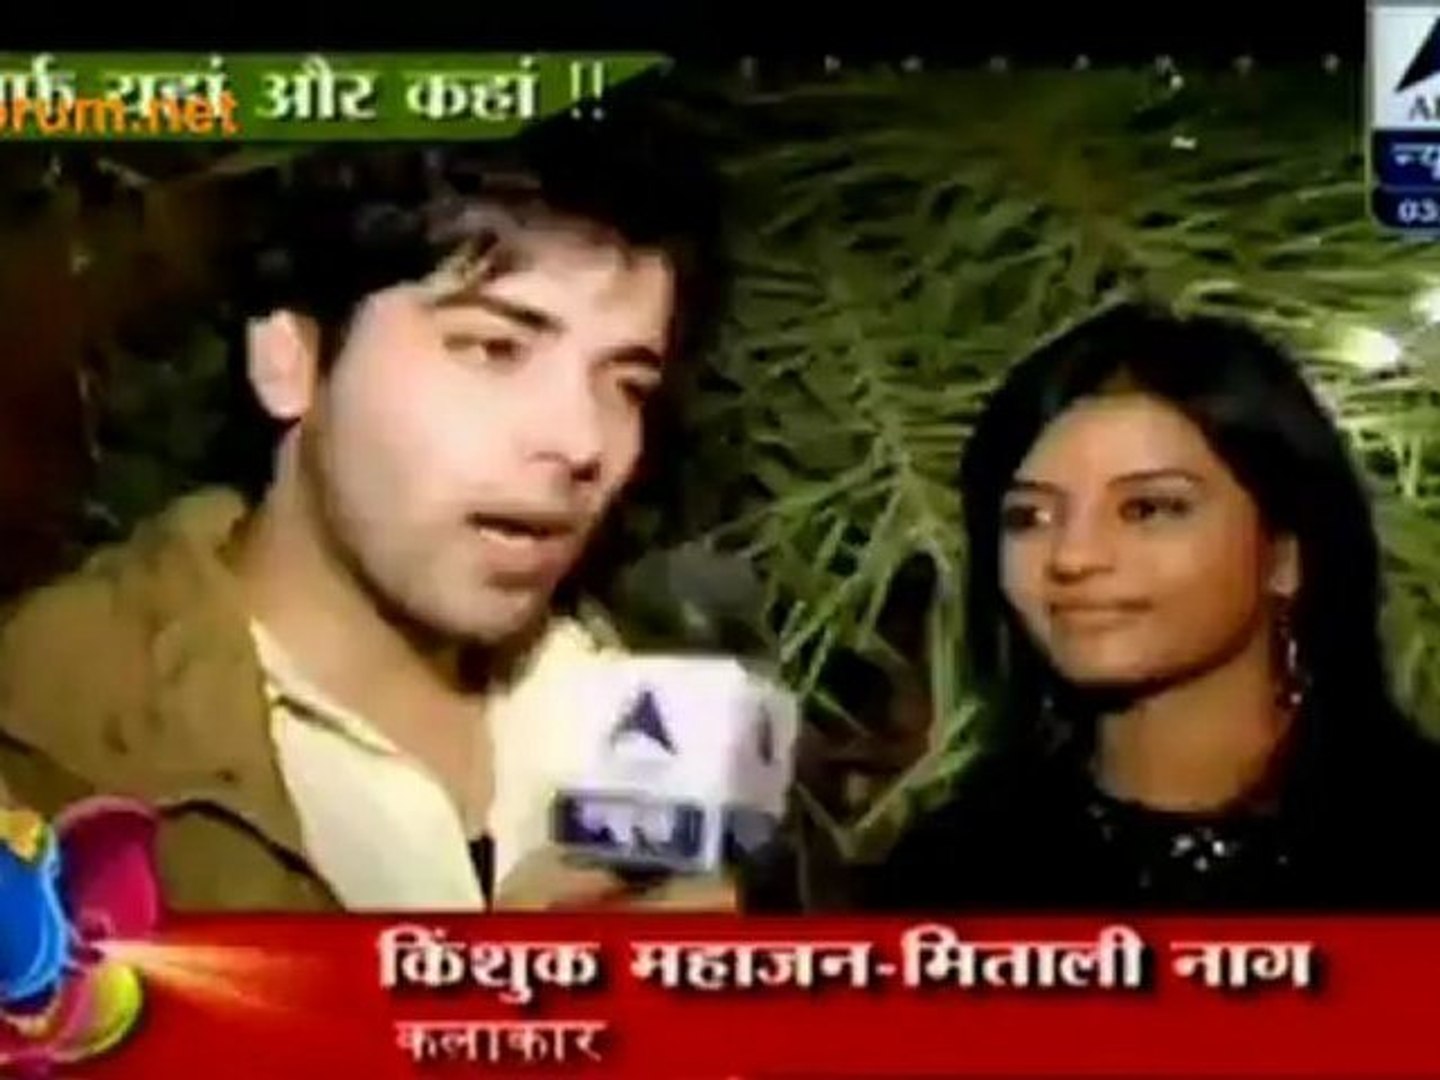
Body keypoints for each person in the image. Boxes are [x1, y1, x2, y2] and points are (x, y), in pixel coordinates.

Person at [0, 102, 742, 913]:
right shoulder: (52, 748)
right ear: (289, 359)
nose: (581, 441)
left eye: (625, 384)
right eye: (494, 348)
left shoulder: (649, 697)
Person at [864, 301, 1440, 910]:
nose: (1073, 557)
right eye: (1029, 517)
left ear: (1284, 555)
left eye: (1148, 509)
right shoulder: (952, 878)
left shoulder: (1414, 852)